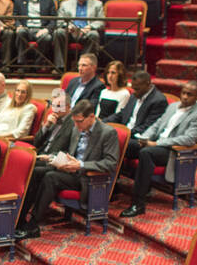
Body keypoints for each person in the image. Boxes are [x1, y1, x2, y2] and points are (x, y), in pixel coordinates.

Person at [14, 100, 120, 239]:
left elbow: (111, 163)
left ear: (91, 117)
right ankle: (19, 219)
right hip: (69, 170)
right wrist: (53, 157)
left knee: (51, 177)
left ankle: (33, 225)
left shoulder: (108, 133)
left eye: (79, 121)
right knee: (34, 172)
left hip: (86, 177)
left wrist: (81, 165)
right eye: (74, 121)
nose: (76, 125)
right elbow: (69, 151)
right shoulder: (77, 128)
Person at [120, 80, 197, 219]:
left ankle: (138, 204)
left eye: (190, 94)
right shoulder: (173, 106)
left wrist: (157, 144)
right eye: (183, 93)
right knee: (127, 144)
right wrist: (144, 138)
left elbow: (188, 139)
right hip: (155, 143)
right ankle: (113, 188)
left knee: (146, 153)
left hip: (172, 151)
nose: (185, 97)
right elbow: (157, 125)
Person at [9, 0, 58, 72]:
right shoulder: (19, 0)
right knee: (20, 32)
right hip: (26, 29)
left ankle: (38, 63)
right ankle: (22, 65)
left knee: (47, 37)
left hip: (41, 29)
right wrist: (18, 26)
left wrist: (46, 29)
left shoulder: (48, 0)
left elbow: (54, 20)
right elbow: (15, 17)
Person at [54, 0, 105, 71]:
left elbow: (101, 21)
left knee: (94, 34)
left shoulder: (97, 4)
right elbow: (59, 21)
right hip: (71, 32)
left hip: (87, 33)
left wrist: (90, 27)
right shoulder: (65, 4)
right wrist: (67, 26)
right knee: (59, 32)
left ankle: (83, 66)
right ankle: (60, 67)